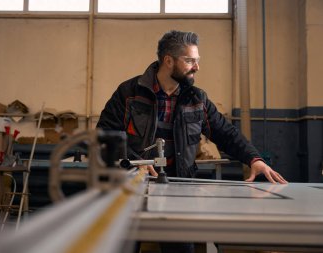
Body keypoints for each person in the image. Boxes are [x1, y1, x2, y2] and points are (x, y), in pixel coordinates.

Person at [97, 30, 287, 253]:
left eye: (197, 60)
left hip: (177, 189)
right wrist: (137, 162)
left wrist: (253, 158)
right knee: (123, 246)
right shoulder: (128, 93)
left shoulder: (197, 99)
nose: (197, 67)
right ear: (168, 61)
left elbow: (225, 132)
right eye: (189, 61)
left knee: (181, 248)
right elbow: (104, 135)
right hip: (132, 189)